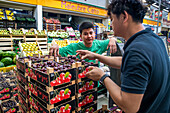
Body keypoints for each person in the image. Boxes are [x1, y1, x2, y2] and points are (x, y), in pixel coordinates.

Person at [76, 0, 170, 113]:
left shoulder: (137, 51)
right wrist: (97, 56)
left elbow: (130, 107)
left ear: (124, 16)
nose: (111, 24)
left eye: (112, 19)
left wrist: (103, 77)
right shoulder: (154, 39)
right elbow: (128, 62)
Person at [49, 22, 117, 63]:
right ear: (81, 36)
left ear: (94, 34)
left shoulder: (99, 44)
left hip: (94, 82)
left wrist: (113, 39)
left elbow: (113, 40)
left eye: (91, 33)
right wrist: (55, 45)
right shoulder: (73, 47)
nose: (89, 36)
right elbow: (57, 52)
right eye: (85, 34)